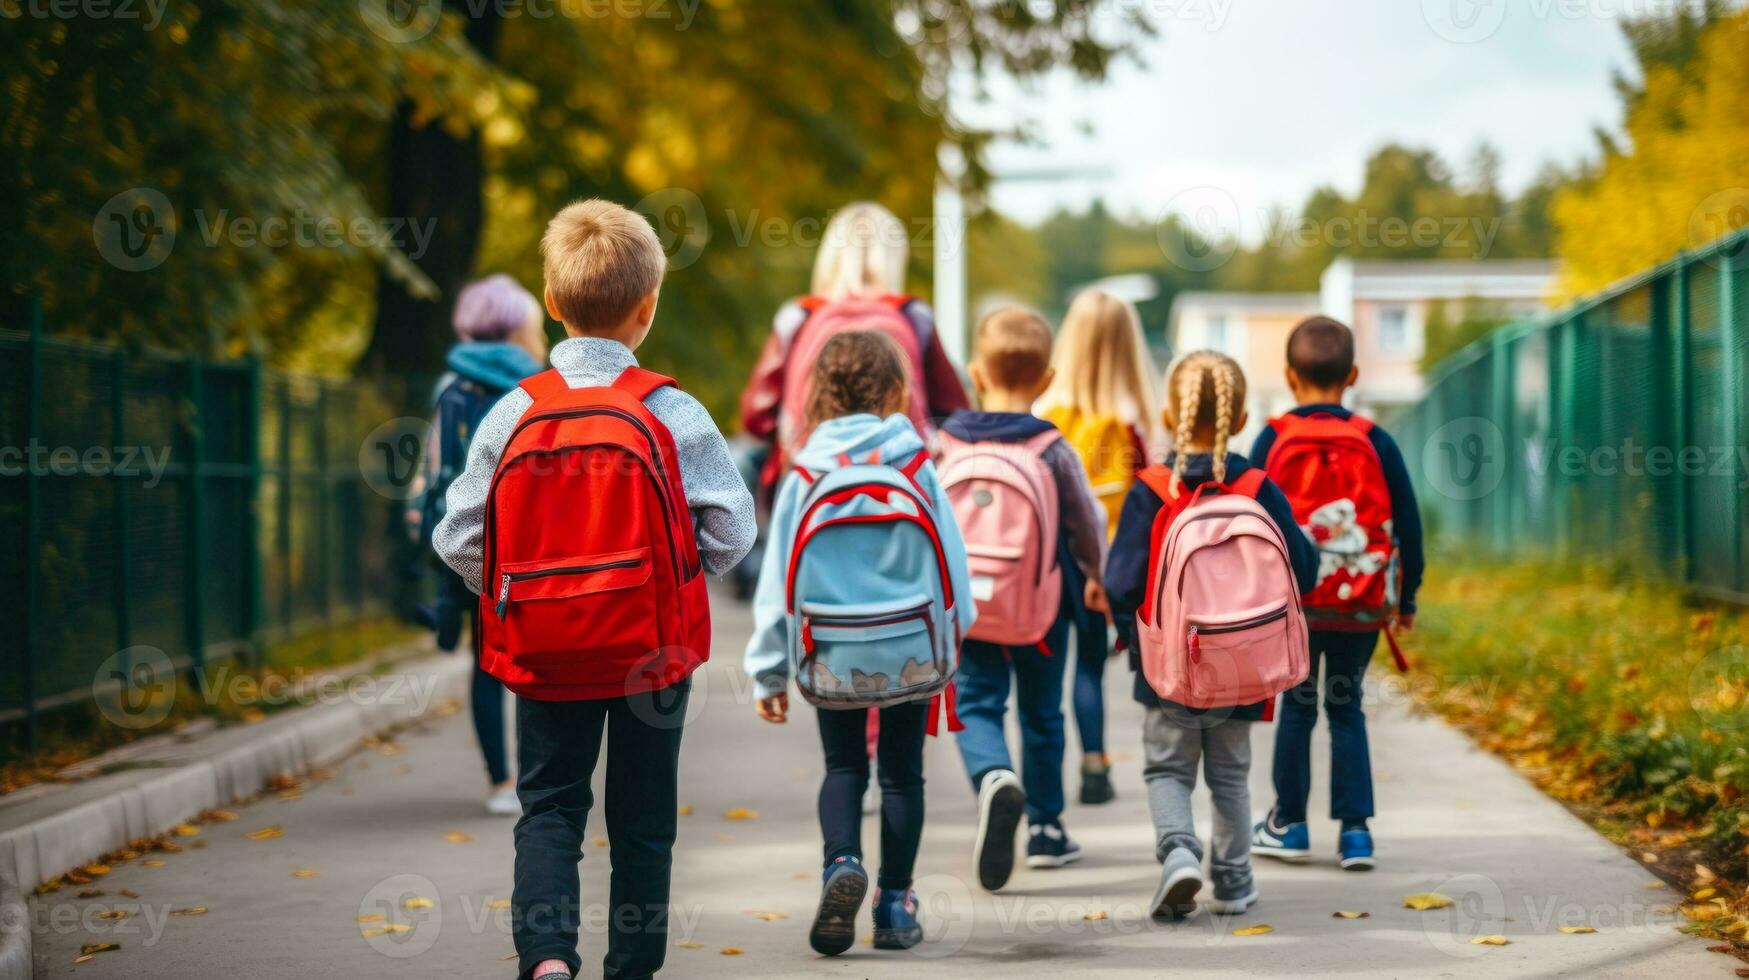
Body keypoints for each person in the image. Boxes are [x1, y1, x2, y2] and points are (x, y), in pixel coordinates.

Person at [434, 199, 755, 980]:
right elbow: (732, 530)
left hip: (546, 652)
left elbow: (458, 536)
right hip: (652, 651)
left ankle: (547, 961)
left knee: (549, 810)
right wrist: (669, 581)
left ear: (549, 304)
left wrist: (521, 594)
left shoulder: (514, 412)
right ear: (646, 309)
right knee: (643, 823)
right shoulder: (671, 410)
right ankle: (631, 969)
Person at [744, 330, 974, 956]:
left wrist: (768, 672)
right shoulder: (917, 466)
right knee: (903, 776)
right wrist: (956, 638)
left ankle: (841, 863)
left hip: (832, 654)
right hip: (913, 647)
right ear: (898, 391)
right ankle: (896, 905)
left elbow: (775, 584)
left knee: (844, 766)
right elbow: (953, 566)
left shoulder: (807, 473)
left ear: (819, 397)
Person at [1105, 350, 1317, 919]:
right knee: (1231, 776)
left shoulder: (1150, 488)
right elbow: (1303, 569)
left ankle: (1178, 854)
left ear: (1169, 412)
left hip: (1167, 672)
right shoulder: (1257, 486)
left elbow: (1120, 584)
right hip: (1244, 668)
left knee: (1167, 769)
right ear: (1241, 418)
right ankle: (1235, 881)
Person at [1249, 316, 1425, 872]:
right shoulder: (1375, 439)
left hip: (1293, 604)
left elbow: (1248, 520)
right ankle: (1355, 836)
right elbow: (1408, 523)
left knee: (1298, 708)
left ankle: (1290, 825)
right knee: (1346, 707)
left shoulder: (1272, 438)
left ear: (1288, 375)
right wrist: (1408, 597)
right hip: (1361, 600)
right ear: (1351, 375)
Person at [941, 308, 1109, 891]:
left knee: (976, 705)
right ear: (1047, 379)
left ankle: (992, 777)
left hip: (969, 608)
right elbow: (1086, 521)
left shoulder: (946, 439)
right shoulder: (1051, 445)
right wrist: (1097, 573)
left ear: (975, 373)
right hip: (1041, 606)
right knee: (1042, 716)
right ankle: (1046, 830)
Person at [415, 274, 550, 817]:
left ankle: (501, 782)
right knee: (538, 653)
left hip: (469, 540)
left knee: (486, 660)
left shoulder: (451, 386)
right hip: (531, 538)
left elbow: (431, 470)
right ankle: (543, 774)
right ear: (517, 330)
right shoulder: (534, 388)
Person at [1036, 287, 1161, 805]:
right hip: (1109, 561)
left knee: (1045, 674)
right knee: (1090, 664)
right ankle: (1094, 761)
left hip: (1048, 556)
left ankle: (1043, 790)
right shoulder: (1136, 417)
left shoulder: (1046, 409)